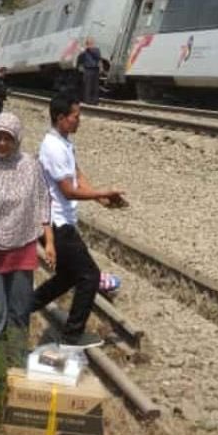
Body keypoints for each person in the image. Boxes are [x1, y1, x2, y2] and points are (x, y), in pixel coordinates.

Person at [31, 93, 126, 348]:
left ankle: (22, 307)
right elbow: (68, 190)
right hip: (56, 225)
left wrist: (101, 199)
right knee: (89, 276)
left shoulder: (64, 143)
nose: (78, 121)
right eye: (75, 117)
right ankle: (72, 337)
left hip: (62, 223)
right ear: (61, 118)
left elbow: (76, 173)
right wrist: (101, 192)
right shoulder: (52, 147)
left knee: (67, 277)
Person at [0, 112, 54, 363]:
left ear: (17, 139)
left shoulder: (29, 165)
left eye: (8, 138)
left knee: (19, 312)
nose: (2, 144)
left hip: (23, 246)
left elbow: (42, 203)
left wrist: (49, 241)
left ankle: (16, 368)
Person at [76, 38, 102, 105]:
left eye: (91, 43)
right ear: (87, 44)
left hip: (95, 69)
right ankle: (87, 101)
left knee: (95, 86)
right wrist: (81, 52)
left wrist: (88, 49)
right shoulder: (84, 52)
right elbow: (79, 59)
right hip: (88, 70)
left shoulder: (96, 50)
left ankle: (95, 101)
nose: (91, 44)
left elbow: (98, 56)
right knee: (87, 86)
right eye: (89, 43)